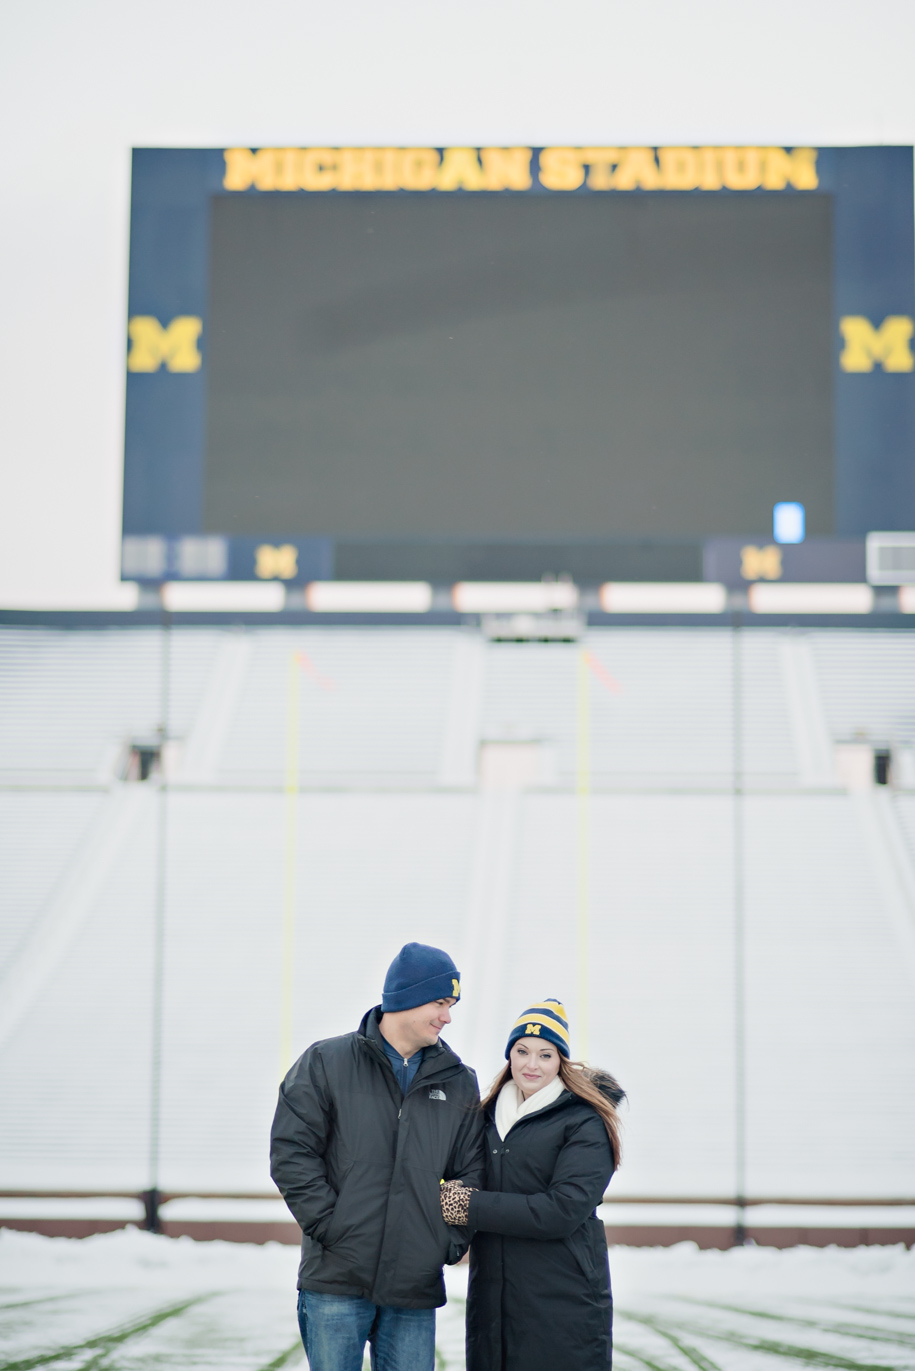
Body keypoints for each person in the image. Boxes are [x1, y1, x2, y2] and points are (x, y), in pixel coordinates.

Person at [271, 942, 485, 1371]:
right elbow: (293, 1152)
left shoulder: (460, 1082)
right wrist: (333, 1227)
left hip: (414, 1284)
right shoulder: (325, 1062)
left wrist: (446, 1242)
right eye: (440, 1003)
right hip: (336, 1278)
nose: (447, 1017)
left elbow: (469, 1173)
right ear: (406, 998)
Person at [440, 999, 624, 1371]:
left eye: (545, 1054)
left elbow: (562, 1211)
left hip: (561, 1300)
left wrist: (468, 1206)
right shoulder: (487, 1116)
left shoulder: (584, 1122)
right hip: (494, 1301)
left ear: (561, 1061)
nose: (531, 1064)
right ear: (510, 1055)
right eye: (522, 1051)